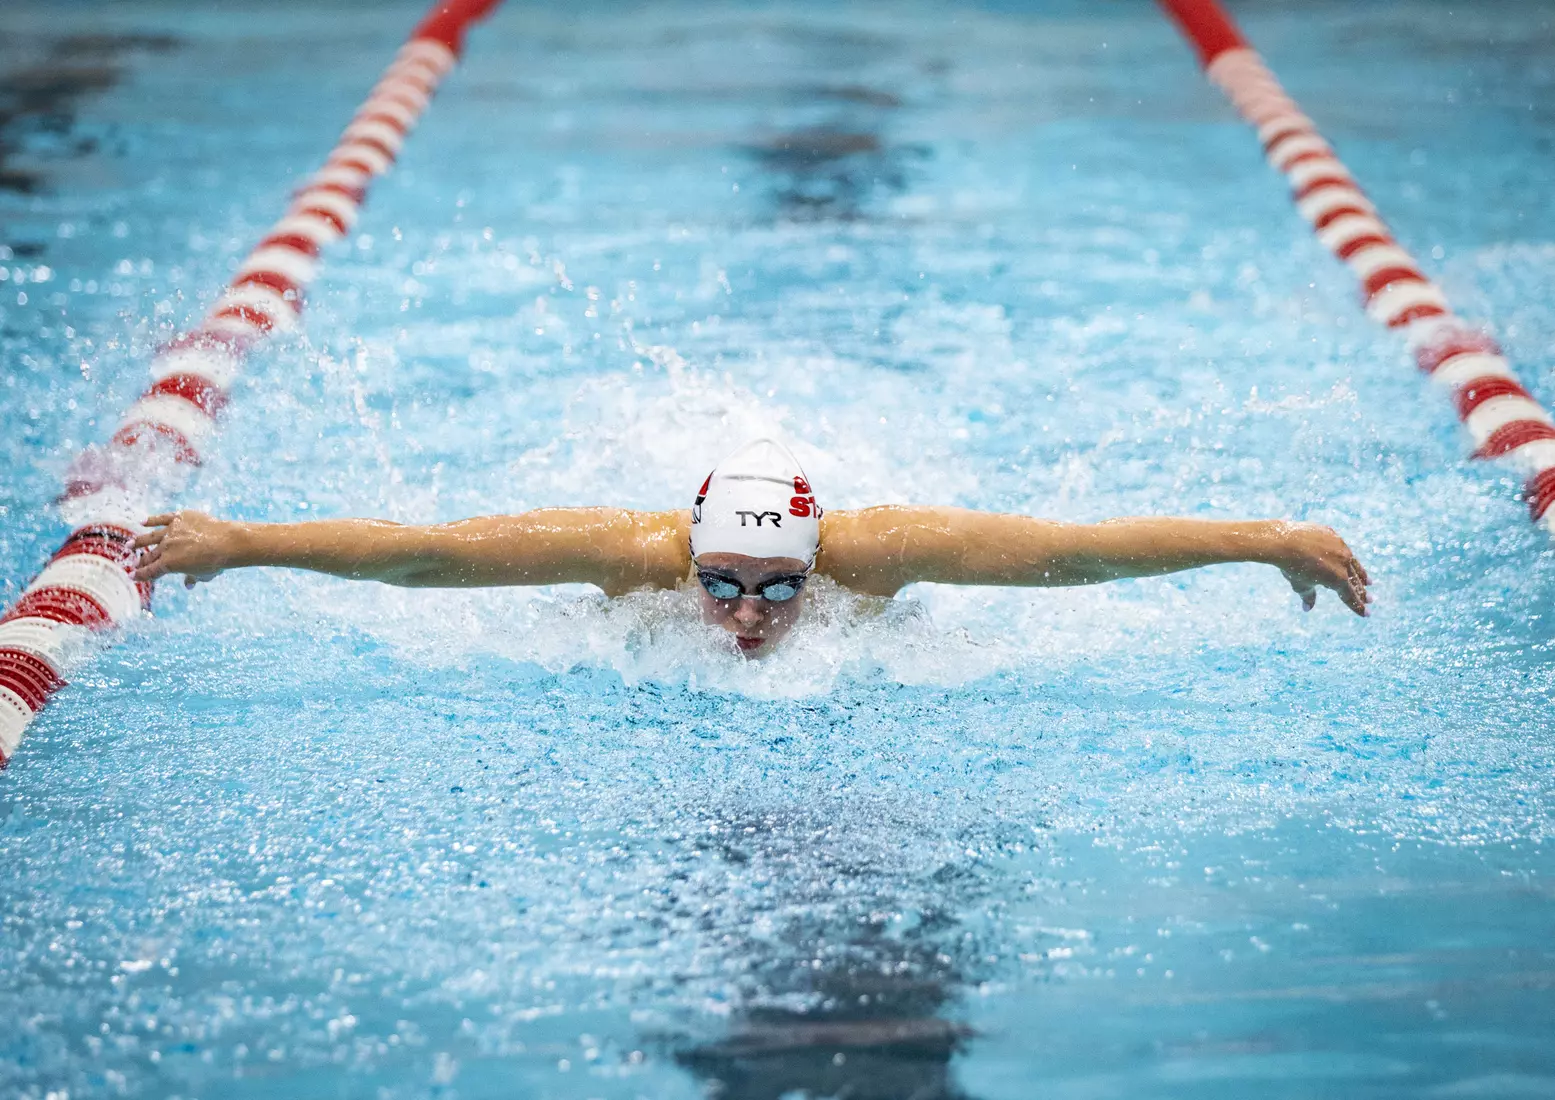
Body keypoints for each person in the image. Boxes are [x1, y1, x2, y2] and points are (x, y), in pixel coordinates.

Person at [132, 438, 1370, 656]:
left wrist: (1264, 540)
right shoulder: (636, 556)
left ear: (820, 565)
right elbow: (428, 557)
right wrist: (239, 541)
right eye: (722, 582)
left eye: (780, 587)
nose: (746, 616)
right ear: (689, 557)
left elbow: (1076, 556)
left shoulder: (880, 556)